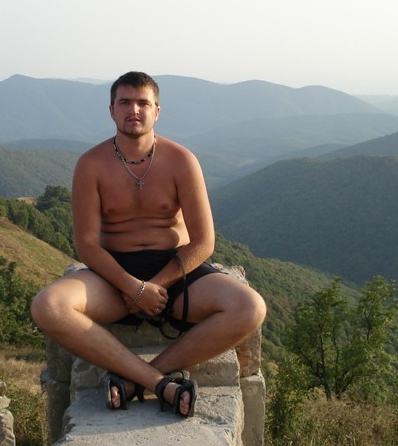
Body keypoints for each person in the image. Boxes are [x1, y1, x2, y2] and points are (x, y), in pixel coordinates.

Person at [31, 71, 266, 417]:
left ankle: (136, 381)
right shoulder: (91, 164)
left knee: (250, 307)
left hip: (176, 271)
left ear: (157, 111)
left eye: (143, 103)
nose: (134, 110)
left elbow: (204, 242)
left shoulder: (181, 160)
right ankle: (158, 383)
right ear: (111, 110)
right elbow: (88, 245)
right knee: (48, 306)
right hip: (113, 275)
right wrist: (132, 287)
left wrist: (154, 286)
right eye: (125, 102)